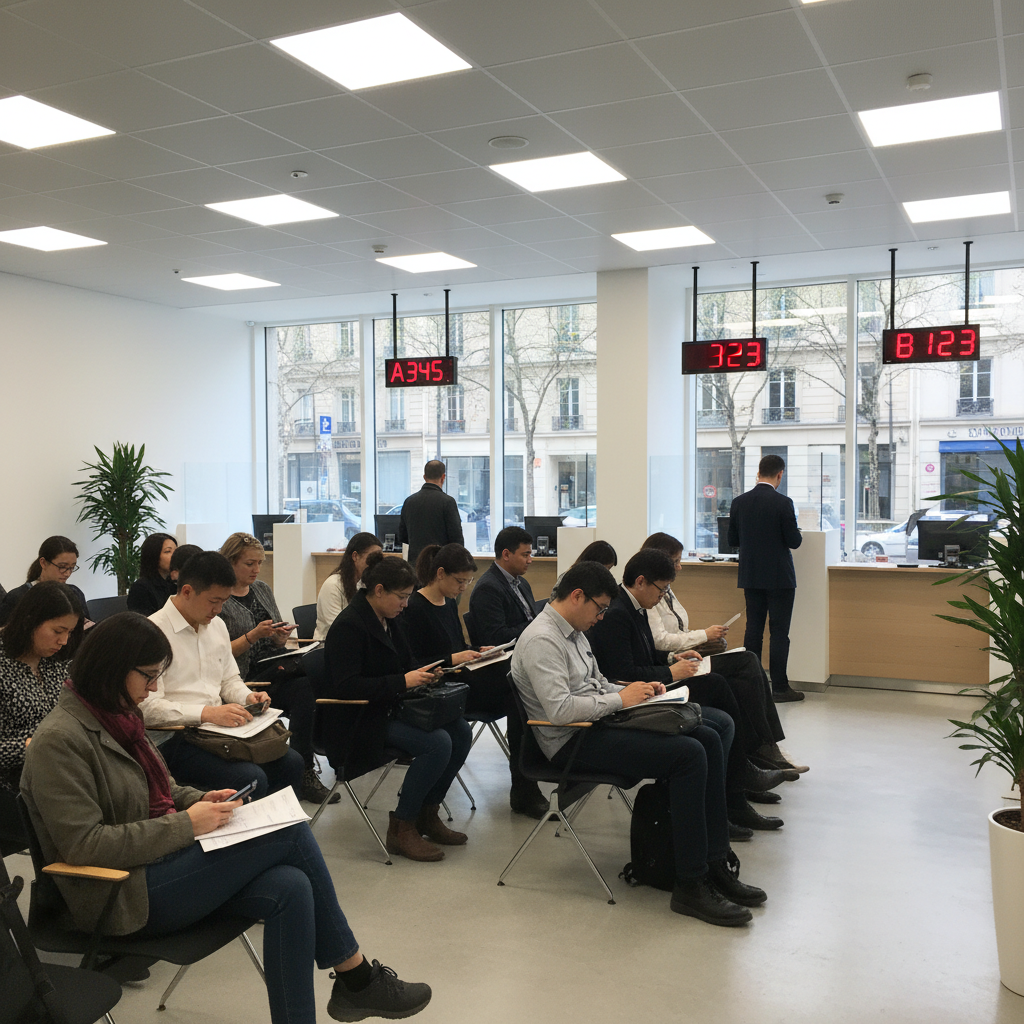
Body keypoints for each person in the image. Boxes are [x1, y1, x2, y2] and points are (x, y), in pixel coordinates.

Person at [20, 612, 432, 1024]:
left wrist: (201, 800)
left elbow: (158, 791)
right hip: (120, 895)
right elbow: (85, 846)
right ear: (112, 669)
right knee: (288, 832)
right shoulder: (60, 741)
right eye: (147, 676)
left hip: (157, 867)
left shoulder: (119, 714)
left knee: (290, 885)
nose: (152, 688)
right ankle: (357, 978)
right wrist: (188, 824)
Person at [511, 561, 766, 926]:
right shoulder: (542, 640)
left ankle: (714, 863)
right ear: (577, 596)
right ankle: (691, 884)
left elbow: (598, 682)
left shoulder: (573, 630)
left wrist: (640, 693)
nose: (601, 618)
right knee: (690, 754)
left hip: (597, 722)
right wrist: (622, 700)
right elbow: (561, 709)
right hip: (572, 740)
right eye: (599, 608)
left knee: (707, 737)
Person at [587, 548, 786, 833]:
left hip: (651, 682)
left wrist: (672, 659)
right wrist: (670, 672)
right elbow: (622, 673)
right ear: (641, 581)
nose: (663, 596)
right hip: (634, 694)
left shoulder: (638, 607)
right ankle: (741, 782)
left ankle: (741, 780)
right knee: (717, 685)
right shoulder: (619, 613)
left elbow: (646, 654)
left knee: (735, 682)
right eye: (662, 589)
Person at [322, 553, 472, 862]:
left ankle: (427, 813)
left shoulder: (391, 619)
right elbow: (346, 687)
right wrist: (402, 682)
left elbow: (407, 663)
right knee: (437, 743)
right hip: (359, 719)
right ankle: (403, 826)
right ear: (378, 591)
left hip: (390, 707)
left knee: (460, 731)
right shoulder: (349, 626)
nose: (406, 604)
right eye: (401, 597)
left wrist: (428, 672)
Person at [641, 532, 807, 779]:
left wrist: (703, 640)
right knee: (745, 665)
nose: (679, 566)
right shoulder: (649, 593)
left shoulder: (666, 590)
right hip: (671, 667)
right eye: (675, 561)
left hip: (680, 657)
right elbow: (660, 640)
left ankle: (761, 749)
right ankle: (764, 749)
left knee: (746, 668)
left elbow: (677, 632)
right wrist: (703, 636)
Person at [143, 551, 304, 801]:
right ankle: (244, 838)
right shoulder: (153, 632)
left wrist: (248, 696)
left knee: (292, 762)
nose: (218, 610)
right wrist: (207, 713)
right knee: (250, 778)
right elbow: (147, 708)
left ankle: (272, 835)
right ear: (187, 591)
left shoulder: (215, 625)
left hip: (214, 732)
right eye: (213, 601)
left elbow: (229, 680)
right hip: (173, 737)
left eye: (224, 602)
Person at [403, 543, 538, 816]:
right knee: (517, 691)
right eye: (460, 581)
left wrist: (477, 653)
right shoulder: (415, 607)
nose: (464, 587)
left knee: (519, 682)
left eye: (468, 581)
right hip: (440, 684)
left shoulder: (448, 603)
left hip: (460, 677)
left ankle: (528, 778)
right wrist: (457, 658)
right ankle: (525, 782)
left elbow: (455, 646)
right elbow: (415, 662)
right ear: (440, 573)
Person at [218, 533, 335, 805]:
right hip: (246, 677)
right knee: (307, 689)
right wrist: (253, 636)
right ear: (230, 561)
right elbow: (220, 654)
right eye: (249, 563)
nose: (257, 569)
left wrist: (279, 636)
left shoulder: (261, 589)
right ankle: (305, 766)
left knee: (317, 675)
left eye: (259, 562)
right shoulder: (220, 599)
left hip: (276, 663)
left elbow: (275, 632)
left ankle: (314, 755)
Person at [465, 526, 549, 817]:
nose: (531, 560)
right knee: (525, 700)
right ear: (505, 554)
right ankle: (524, 787)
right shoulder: (488, 588)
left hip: (519, 664)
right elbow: (496, 638)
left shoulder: (520, 584)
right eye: (525, 554)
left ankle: (562, 764)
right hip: (492, 676)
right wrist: (538, 628)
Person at [728, 454, 805, 703]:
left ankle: (752, 686)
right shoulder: (783, 503)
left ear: (758, 472)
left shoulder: (739, 502)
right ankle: (780, 688)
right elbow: (794, 541)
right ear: (780, 475)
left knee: (753, 630)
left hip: (751, 575)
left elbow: (732, 541)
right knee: (779, 633)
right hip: (780, 577)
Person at [0, 582, 82, 792]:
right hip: (13, 783)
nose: (63, 640)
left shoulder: (55, 661)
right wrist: (32, 745)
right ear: (30, 621)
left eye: (69, 632)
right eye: (58, 631)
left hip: (58, 768)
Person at [0, 536, 91, 633]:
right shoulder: (18, 597)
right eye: (62, 567)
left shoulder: (75, 593)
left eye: (72, 567)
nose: (67, 573)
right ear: (43, 563)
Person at [314, 533, 383, 640]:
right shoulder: (333, 585)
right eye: (372, 557)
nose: (375, 564)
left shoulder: (365, 583)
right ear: (355, 556)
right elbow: (338, 628)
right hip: (331, 646)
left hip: (356, 642)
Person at [397, 460, 463, 567]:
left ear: (424, 477)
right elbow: (456, 538)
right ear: (443, 477)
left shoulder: (409, 501)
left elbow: (403, 537)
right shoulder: (447, 502)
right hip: (439, 565)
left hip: (416, 565)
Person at [126, 532, 178, 616]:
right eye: (168, 551)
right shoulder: (141, 587)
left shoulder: (174, 583)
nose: (174, 556)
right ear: (154, 555)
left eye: (176, 551)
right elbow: (144, 623)